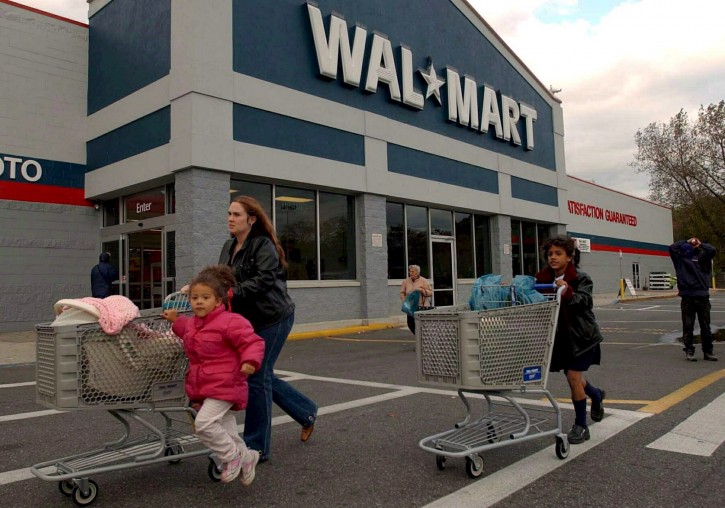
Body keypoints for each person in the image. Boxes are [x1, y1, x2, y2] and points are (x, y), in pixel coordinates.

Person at [219, 195, 318, 462]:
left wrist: (231, 292)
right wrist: (200, 289)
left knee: (257, 377)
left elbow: (262, 281)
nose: (230, 218)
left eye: (236, 214)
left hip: (274, 318)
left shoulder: (263, 245)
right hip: (249, 322)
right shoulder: (229, 246)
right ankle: (306, 410)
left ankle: (256, 447)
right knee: (261, 376)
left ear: (251, 219)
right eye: (229, 213)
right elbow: (220, 277)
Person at [162, 265, 265, 485]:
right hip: (207, 387)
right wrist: (175, 319)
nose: (198, 302)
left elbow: (252, 341)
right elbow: (185, 329)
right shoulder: (194, 324)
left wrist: (249, 361)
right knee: (228, 430)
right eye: (194, 297)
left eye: (205, 297)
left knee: (204, 424)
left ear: (218, 301)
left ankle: (231, 457)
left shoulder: (230, 321)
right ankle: (248, 458)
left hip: (226, 384)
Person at [535, 235, 605, 444]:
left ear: (569, 256)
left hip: (582, 337)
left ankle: (581, 426)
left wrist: (566, 290)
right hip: (560, 338)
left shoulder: (581, 278)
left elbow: (584, 302)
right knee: (573, 376)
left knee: (573, 377)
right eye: (550, 254)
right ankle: (596, 394)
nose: (553, 258)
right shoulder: (543, 279)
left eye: (558, 254)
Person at [669, 238, 718, 361]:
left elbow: (712, 250)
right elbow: (672, 248)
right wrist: (686, 240)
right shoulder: (680, 261)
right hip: (687, 296)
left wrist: (700, 244)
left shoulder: (702, 258)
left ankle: (708, 351)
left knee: (705, 326)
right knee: (688, 326)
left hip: (702, 295)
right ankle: (689, 350)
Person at [399, 264, 433, 334]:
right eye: (409, 271)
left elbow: (430, 293)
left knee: (422, 325)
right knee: (411, 324)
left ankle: (422, 338)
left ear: (417, 272)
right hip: (410, 307)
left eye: (412, 271)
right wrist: (404, 301)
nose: (410, 273)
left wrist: (421, 290)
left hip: (421, 307)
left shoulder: (424, 281)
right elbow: (402, 293)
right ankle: (418, 337)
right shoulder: (406, 281)